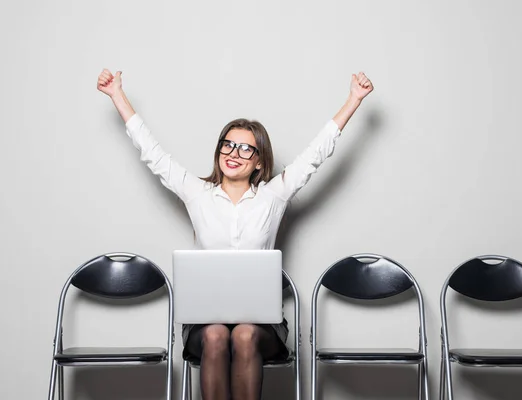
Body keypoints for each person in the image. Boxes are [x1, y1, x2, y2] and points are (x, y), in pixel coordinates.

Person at [96, 68, 373, 400]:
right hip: (205, 325)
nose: (232, 153)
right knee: (215, 336)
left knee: (242, 335)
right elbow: (153, 153)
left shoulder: (274, 195)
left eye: (245, 149)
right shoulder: (196, 193)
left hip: (261, 328)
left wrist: (353, 100)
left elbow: (316, 153)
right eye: (228, 144)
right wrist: (117, 96)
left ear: (259, 162)